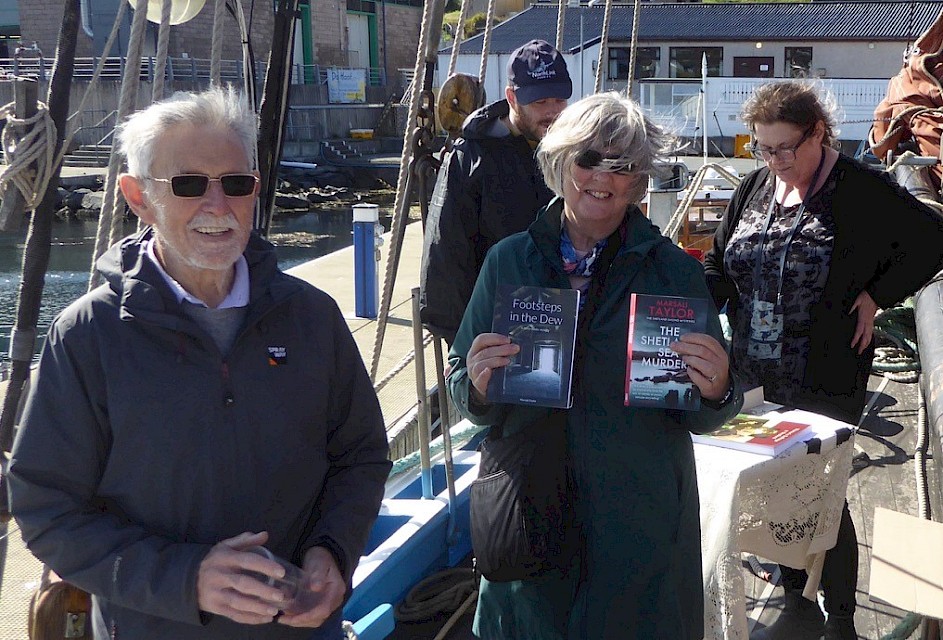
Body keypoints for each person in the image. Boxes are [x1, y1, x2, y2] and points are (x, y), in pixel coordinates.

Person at [7, 88, 392, 639]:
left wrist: (332, 552)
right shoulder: (87, 336)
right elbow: (47, 511)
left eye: (236, 184)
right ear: (138, 197)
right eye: (188, 185)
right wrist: (187, 579)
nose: (218, 205)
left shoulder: (312, 319)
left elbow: (359, 457)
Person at [448, 92, 744, 639]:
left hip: (638, 532)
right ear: (561, 162)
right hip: (530, 522)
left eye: (623, 165)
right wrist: (481, 386)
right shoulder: (509, 260)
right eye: (588, 158)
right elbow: (461, 387)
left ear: (640, 180)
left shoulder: (674, 272)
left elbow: (703, 415)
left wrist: (719, 389)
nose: (602, 177)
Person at [703, 80, 943, 640]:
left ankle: (840, 617)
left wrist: (877, 294)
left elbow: (933, 238)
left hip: (825, 370)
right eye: (765, 148)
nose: (777, 160)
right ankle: (792, 589)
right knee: (770, 486)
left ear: (819, 134)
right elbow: (718, 265)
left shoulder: (860, 188)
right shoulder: (755, 187)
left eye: (788, 147)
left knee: (823, 490)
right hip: (752, 373)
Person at [420, 38, 571, 346]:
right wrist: (461, 345)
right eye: (540, 102)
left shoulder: (575, 153)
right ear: (511, 98)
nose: (552, 112)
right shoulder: (471, 159)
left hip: (563, 330)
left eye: (558, 100)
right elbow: (446, 257)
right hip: (493, 336)